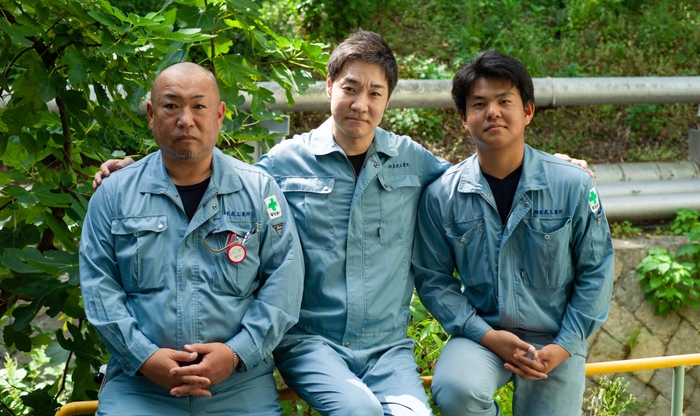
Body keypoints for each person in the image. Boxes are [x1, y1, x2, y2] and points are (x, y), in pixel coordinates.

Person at [93, 31, 593, 416]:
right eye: (350, 88)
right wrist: (134, 169)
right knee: (356, 410)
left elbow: (474, 178)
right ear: (329, 86)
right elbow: (204, 168)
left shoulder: (412, 162)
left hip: (386, 346)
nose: (361, 103)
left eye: (376, 92)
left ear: (388, 101)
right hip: (311, 341)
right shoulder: (281, 166)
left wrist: (552, 164)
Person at [79, 62, 304, 416]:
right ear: (152, 115)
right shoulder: (114, 195)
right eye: (171, 106)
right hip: (140, 387)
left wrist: (236, 353)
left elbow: (285, 281)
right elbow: (98, 289)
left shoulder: (261, 192)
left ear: (219, 114)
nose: (186, 119)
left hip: (239, 385)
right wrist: (146, 358)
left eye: (198, 106)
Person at [411, 50, 614, 416]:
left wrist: (566, 345)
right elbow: (432, 279)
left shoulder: (571, 184)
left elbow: (596, 269)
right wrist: (487, 336)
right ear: (463, 118)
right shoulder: (442, 195)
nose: (493, 112)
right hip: (482, 333)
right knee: (457, 390)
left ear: (528, 111)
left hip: (556, 336)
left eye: (505, 101)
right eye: (479, 103)